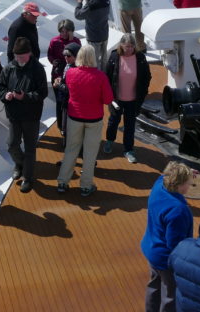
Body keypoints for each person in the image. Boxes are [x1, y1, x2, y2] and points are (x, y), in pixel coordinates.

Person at [141, 160, 195, 312]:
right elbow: (175, 245)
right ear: (179, 185)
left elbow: (165, 175)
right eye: (188, 183)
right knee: (170, 296)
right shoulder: (178, 210)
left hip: (151, 249)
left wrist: (187, 172)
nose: (190, 186)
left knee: (154, 285)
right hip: (165, 258)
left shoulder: (159, 185)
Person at [57, 45, 113, 197]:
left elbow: (69, 90)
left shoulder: (71, 74)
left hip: (74, 116)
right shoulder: (101, 76)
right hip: (93, 119)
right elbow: (108, 99)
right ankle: (86, 186)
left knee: (71, 149)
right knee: (89, 153)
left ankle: (63, 182)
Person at [0, 36, 48, 192]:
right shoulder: (9, 68)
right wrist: (5, 95)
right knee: (12, 144)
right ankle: (20, 164)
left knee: (30, 148)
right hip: (14, 115)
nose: (18, 59)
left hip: (31, 116)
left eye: (21, 56)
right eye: (16, 56)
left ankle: (28, 178)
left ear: (29, 53)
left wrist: (24, 96)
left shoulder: (38, 69)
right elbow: (0, 87)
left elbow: (42, 93)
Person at [104, 32, 150, 163]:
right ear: (121, 45)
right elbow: (107, 77)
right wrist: (109, 97)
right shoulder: (114, 56)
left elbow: (147, 76)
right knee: (113, 122)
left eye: (131, 46)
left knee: (130, 126)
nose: (129, 49)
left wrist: (143, 92)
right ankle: (109, 141)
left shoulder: (140, 57)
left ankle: (128, 150)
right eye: (126, 46)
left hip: (133, 100)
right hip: (116, 99)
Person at [75, 0, 110, 70]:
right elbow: (95, 7)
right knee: (104, 59)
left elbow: (78, 15)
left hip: (94, 38)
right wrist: (88, 0)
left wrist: (79, 2)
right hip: (104, 35)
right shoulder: (106, 2)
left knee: (95, 60)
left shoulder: (90, 6)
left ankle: (97, 78)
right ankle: (104, 76)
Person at [51, 42, 79, 138]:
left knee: (69, 126)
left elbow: (71, 89)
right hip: (65, 101)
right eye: (64, 55)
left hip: (71, 103)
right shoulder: (68, 65)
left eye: (69, 55)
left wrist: (58, 85)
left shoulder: (77, 69)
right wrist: (60, 79)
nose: (66, 57)